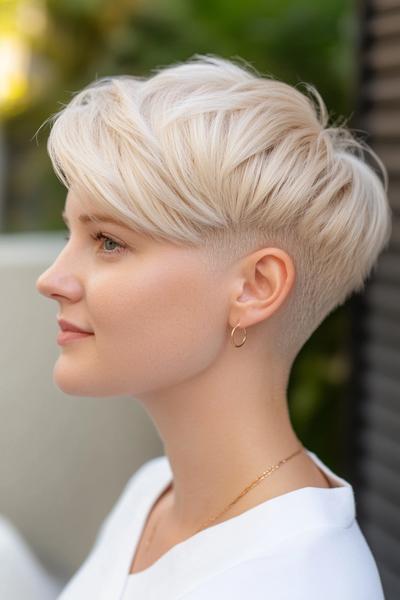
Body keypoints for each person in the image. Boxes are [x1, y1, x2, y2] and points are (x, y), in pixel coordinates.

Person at [35, 53, 390, 599]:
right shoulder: (155, 492)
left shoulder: (299, 582)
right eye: (70, 237)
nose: (52, 279)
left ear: (255, 287)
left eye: (108, 241)